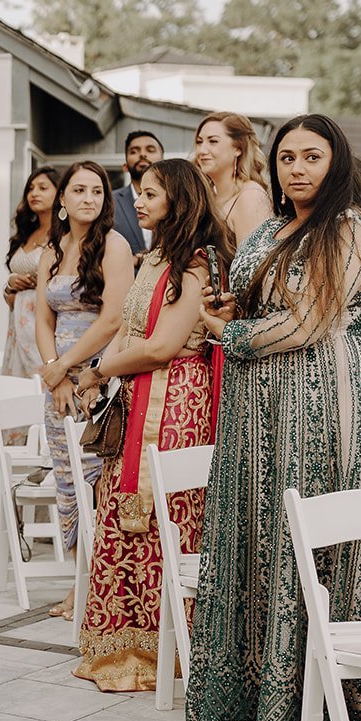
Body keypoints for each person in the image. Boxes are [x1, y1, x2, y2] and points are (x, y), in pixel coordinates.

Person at [187, 114, 361, 721]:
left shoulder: (348, 227)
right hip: (254, 405)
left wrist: (229, 338)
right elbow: (256, 300)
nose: (295, 168)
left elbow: (314, 316)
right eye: (286, 157)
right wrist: (230, 311)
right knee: (259, 538)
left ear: (336, 161)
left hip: (319, 403)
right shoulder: (268, 227)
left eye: (311, 156)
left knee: (305, 545)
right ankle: (258, 718)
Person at [72, 161, 232, 690]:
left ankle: (174, 651)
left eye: (150, 193)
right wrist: (99, 377)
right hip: (138, 393)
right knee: (121, 504)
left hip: (178, 402)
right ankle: (125, 646)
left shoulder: (198, 263)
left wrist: (99, 370)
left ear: (180, 197)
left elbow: (163, 346)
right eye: (138, 193)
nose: (137, 202)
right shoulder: (154, 255)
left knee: (173, 512)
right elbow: (128, 328)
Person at [35, 162, 134, 619]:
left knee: (96, 480)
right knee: (67, 481)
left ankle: (101, 586)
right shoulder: (52, 250)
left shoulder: (114, 245)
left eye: (97, 190)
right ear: (63, 200)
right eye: (79, 189)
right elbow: (43, 318)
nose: (89, 198)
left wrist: (72, 370)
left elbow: (114, 318)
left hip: (99, 377)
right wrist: (53, 371)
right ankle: (78, 583)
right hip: (59, 381)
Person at [2, 166, 58, 377]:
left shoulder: (63, 235)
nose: (34, 193)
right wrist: (11, 285)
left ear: (59, 193)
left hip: (44, 322)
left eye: (43, 188)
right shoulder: (27, 232)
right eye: (31, 188)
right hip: (18, 323)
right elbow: (11, 293)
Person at [194, 112, 272, 245]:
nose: (202, 150)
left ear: (238, 148)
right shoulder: (206, 196)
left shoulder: (251, 196)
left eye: (213, 141)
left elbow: (252, 264)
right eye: (199, 142)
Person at [113, 132, 164, 260]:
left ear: (164, 161)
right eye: (134, 151)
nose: (142, 154)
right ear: (124, 166)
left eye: (150, 150)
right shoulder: (109, 201)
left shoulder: (178, 200)